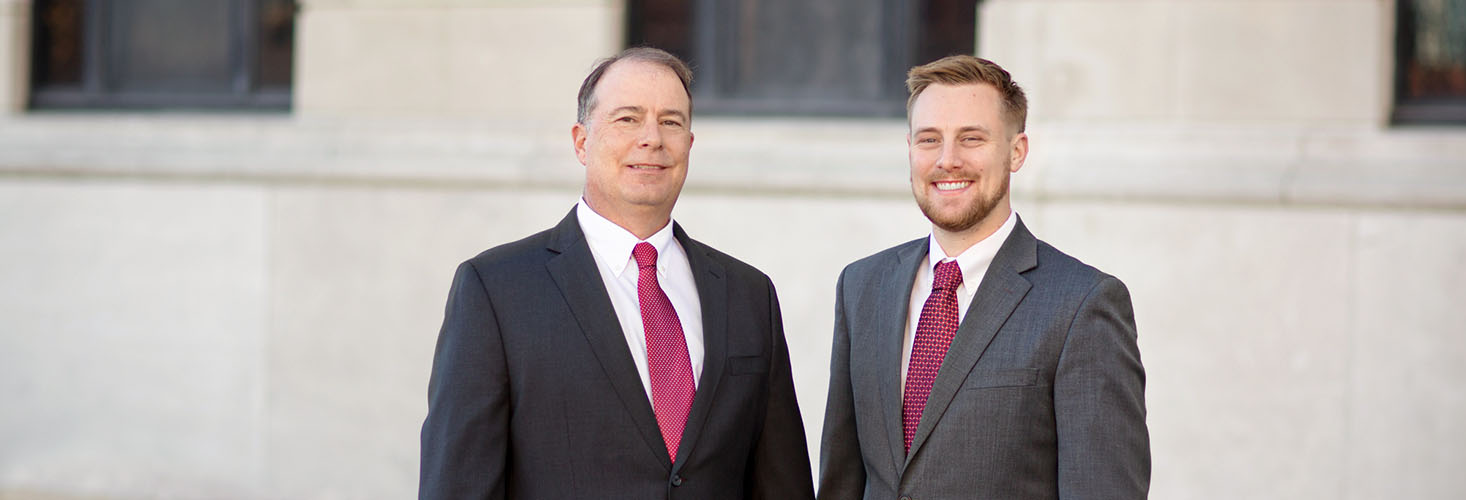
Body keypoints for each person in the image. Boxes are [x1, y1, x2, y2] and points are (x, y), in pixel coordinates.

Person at [419, 47, 814, 500]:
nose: (652, 138)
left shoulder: (748, 294)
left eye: (671, 121)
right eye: (628, 119)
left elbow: (783, 484)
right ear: (582, 142)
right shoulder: (495, 290)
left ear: (689, 142)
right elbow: (459, 485)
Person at [817, 55, 1151, 499]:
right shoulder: (863, 286)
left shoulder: (1083, 304)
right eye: (929, 139)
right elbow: (843, 480)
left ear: (1016, 152)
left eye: (971, 139)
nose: (947, 160)